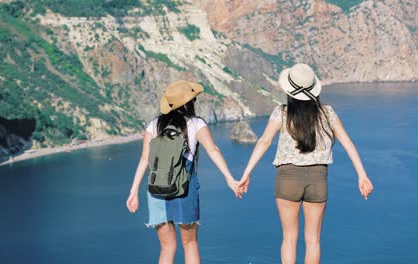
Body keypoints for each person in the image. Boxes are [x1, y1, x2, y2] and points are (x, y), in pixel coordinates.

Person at [238, 63, 374, 264]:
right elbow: (348, 143)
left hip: (287, 178)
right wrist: (362, 175)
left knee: (289, 239)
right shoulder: (327, 113)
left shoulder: (281, 113)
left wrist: (246, 174)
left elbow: (264, 142)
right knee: (313, 241)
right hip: (318, 179)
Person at [126, 80, 240, 264]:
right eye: (193, 100)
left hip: (157, 191)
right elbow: (213, 150)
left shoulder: (153, 125)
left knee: (167, 247)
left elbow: (144, 159)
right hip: (185, 190)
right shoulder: (196, 123)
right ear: (187, 104)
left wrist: (133, 192)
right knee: (190, 244)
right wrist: (229, 179)